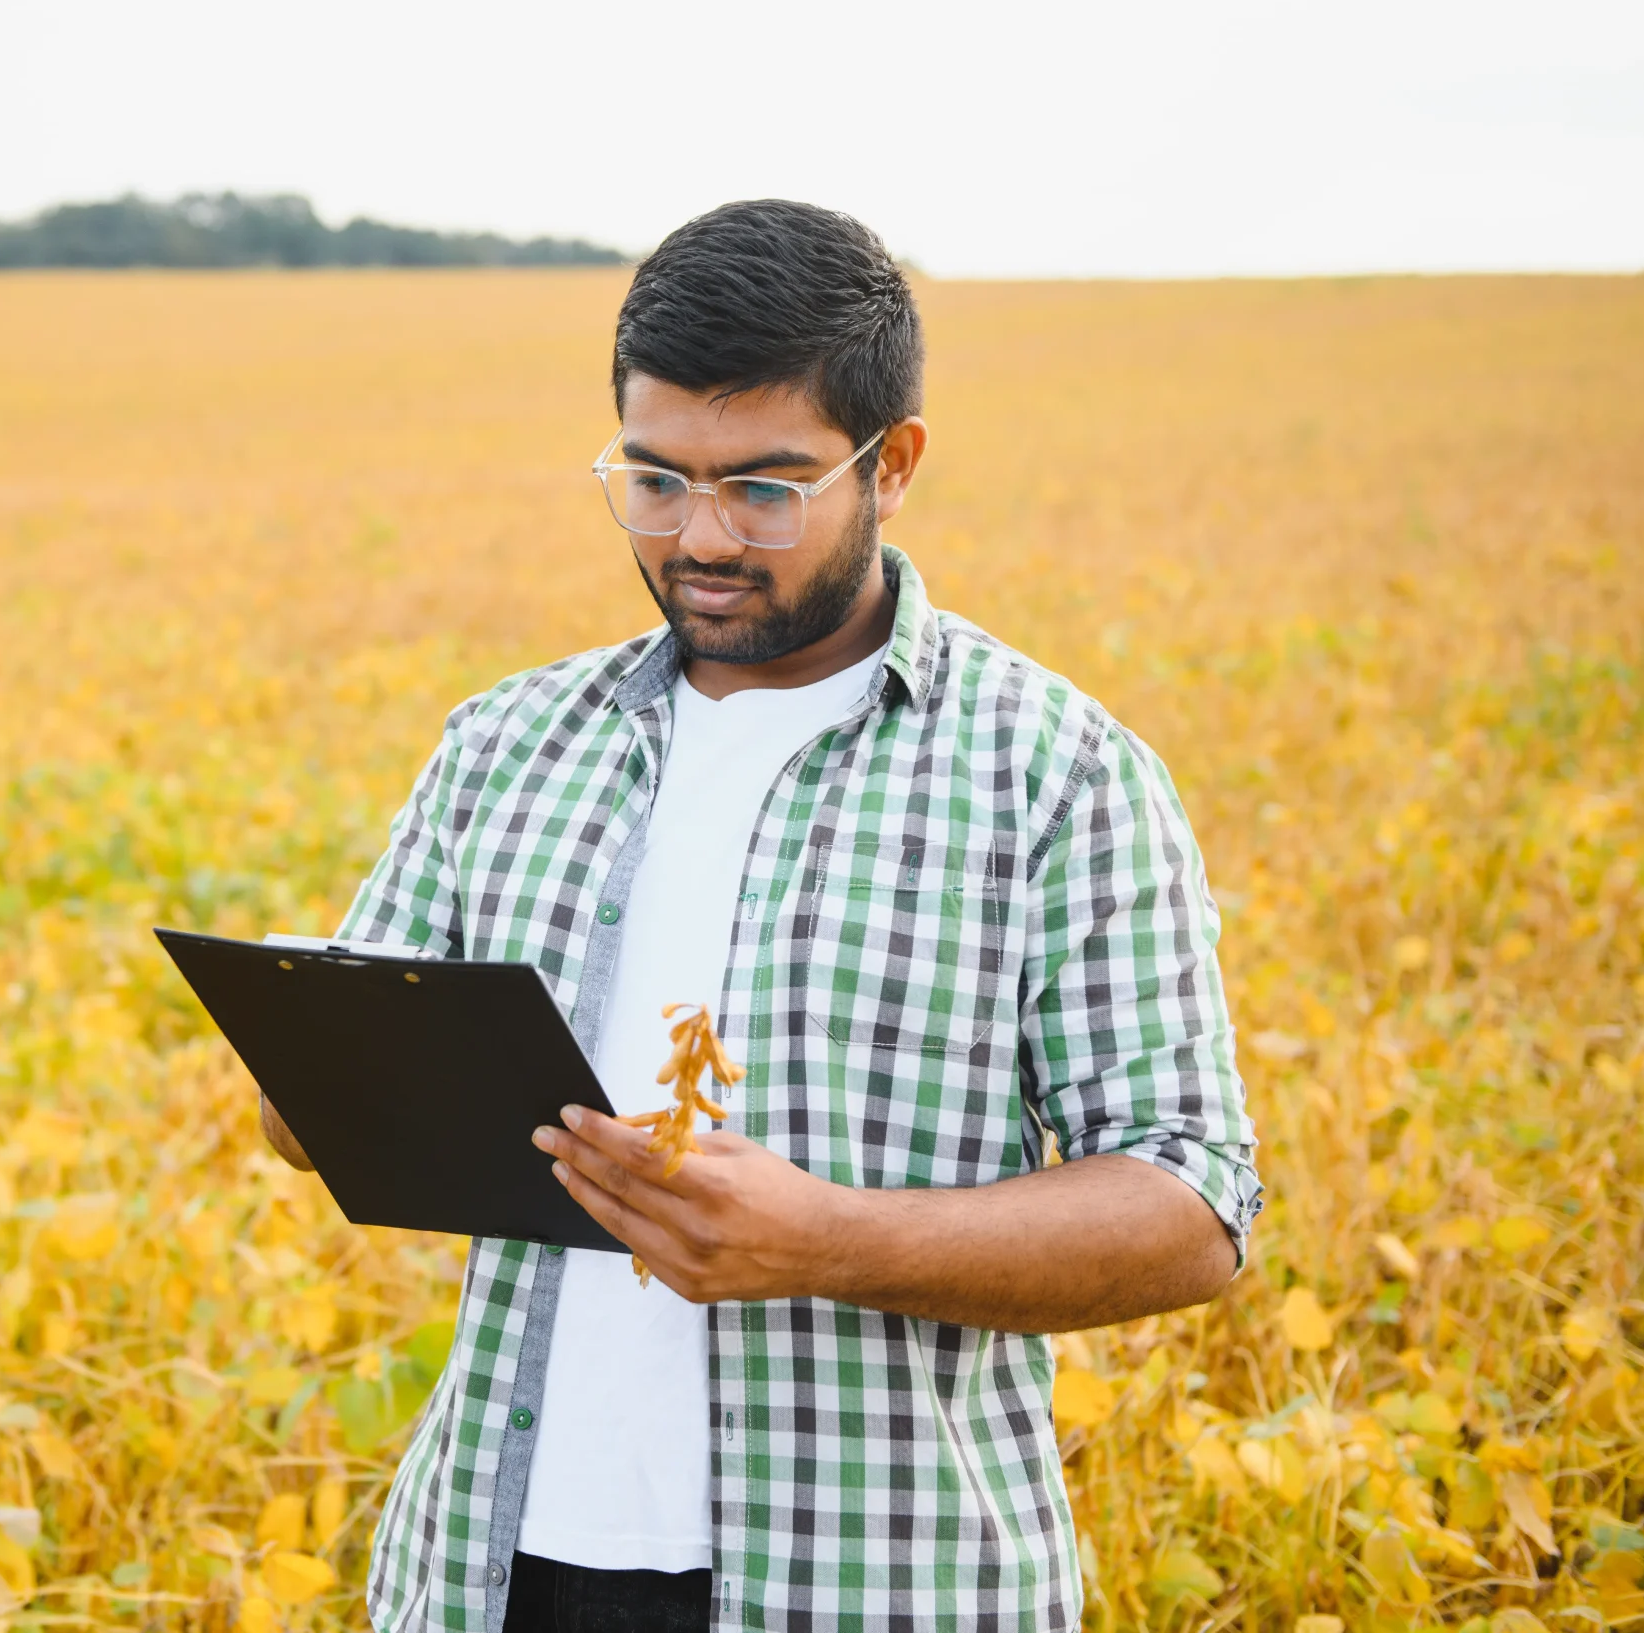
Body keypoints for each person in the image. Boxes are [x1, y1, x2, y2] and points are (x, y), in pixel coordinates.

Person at [257, 200, 1260, 1632]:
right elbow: (324, 1105)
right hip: (492, 1571)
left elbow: (1192, 1204)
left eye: (766, 488)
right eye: (655, 480)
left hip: (873, 1588)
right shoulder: (505, 743)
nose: (702, 537)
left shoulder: (1058, 774)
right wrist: (316, 1090)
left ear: (893, 462)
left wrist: (828, 1238)